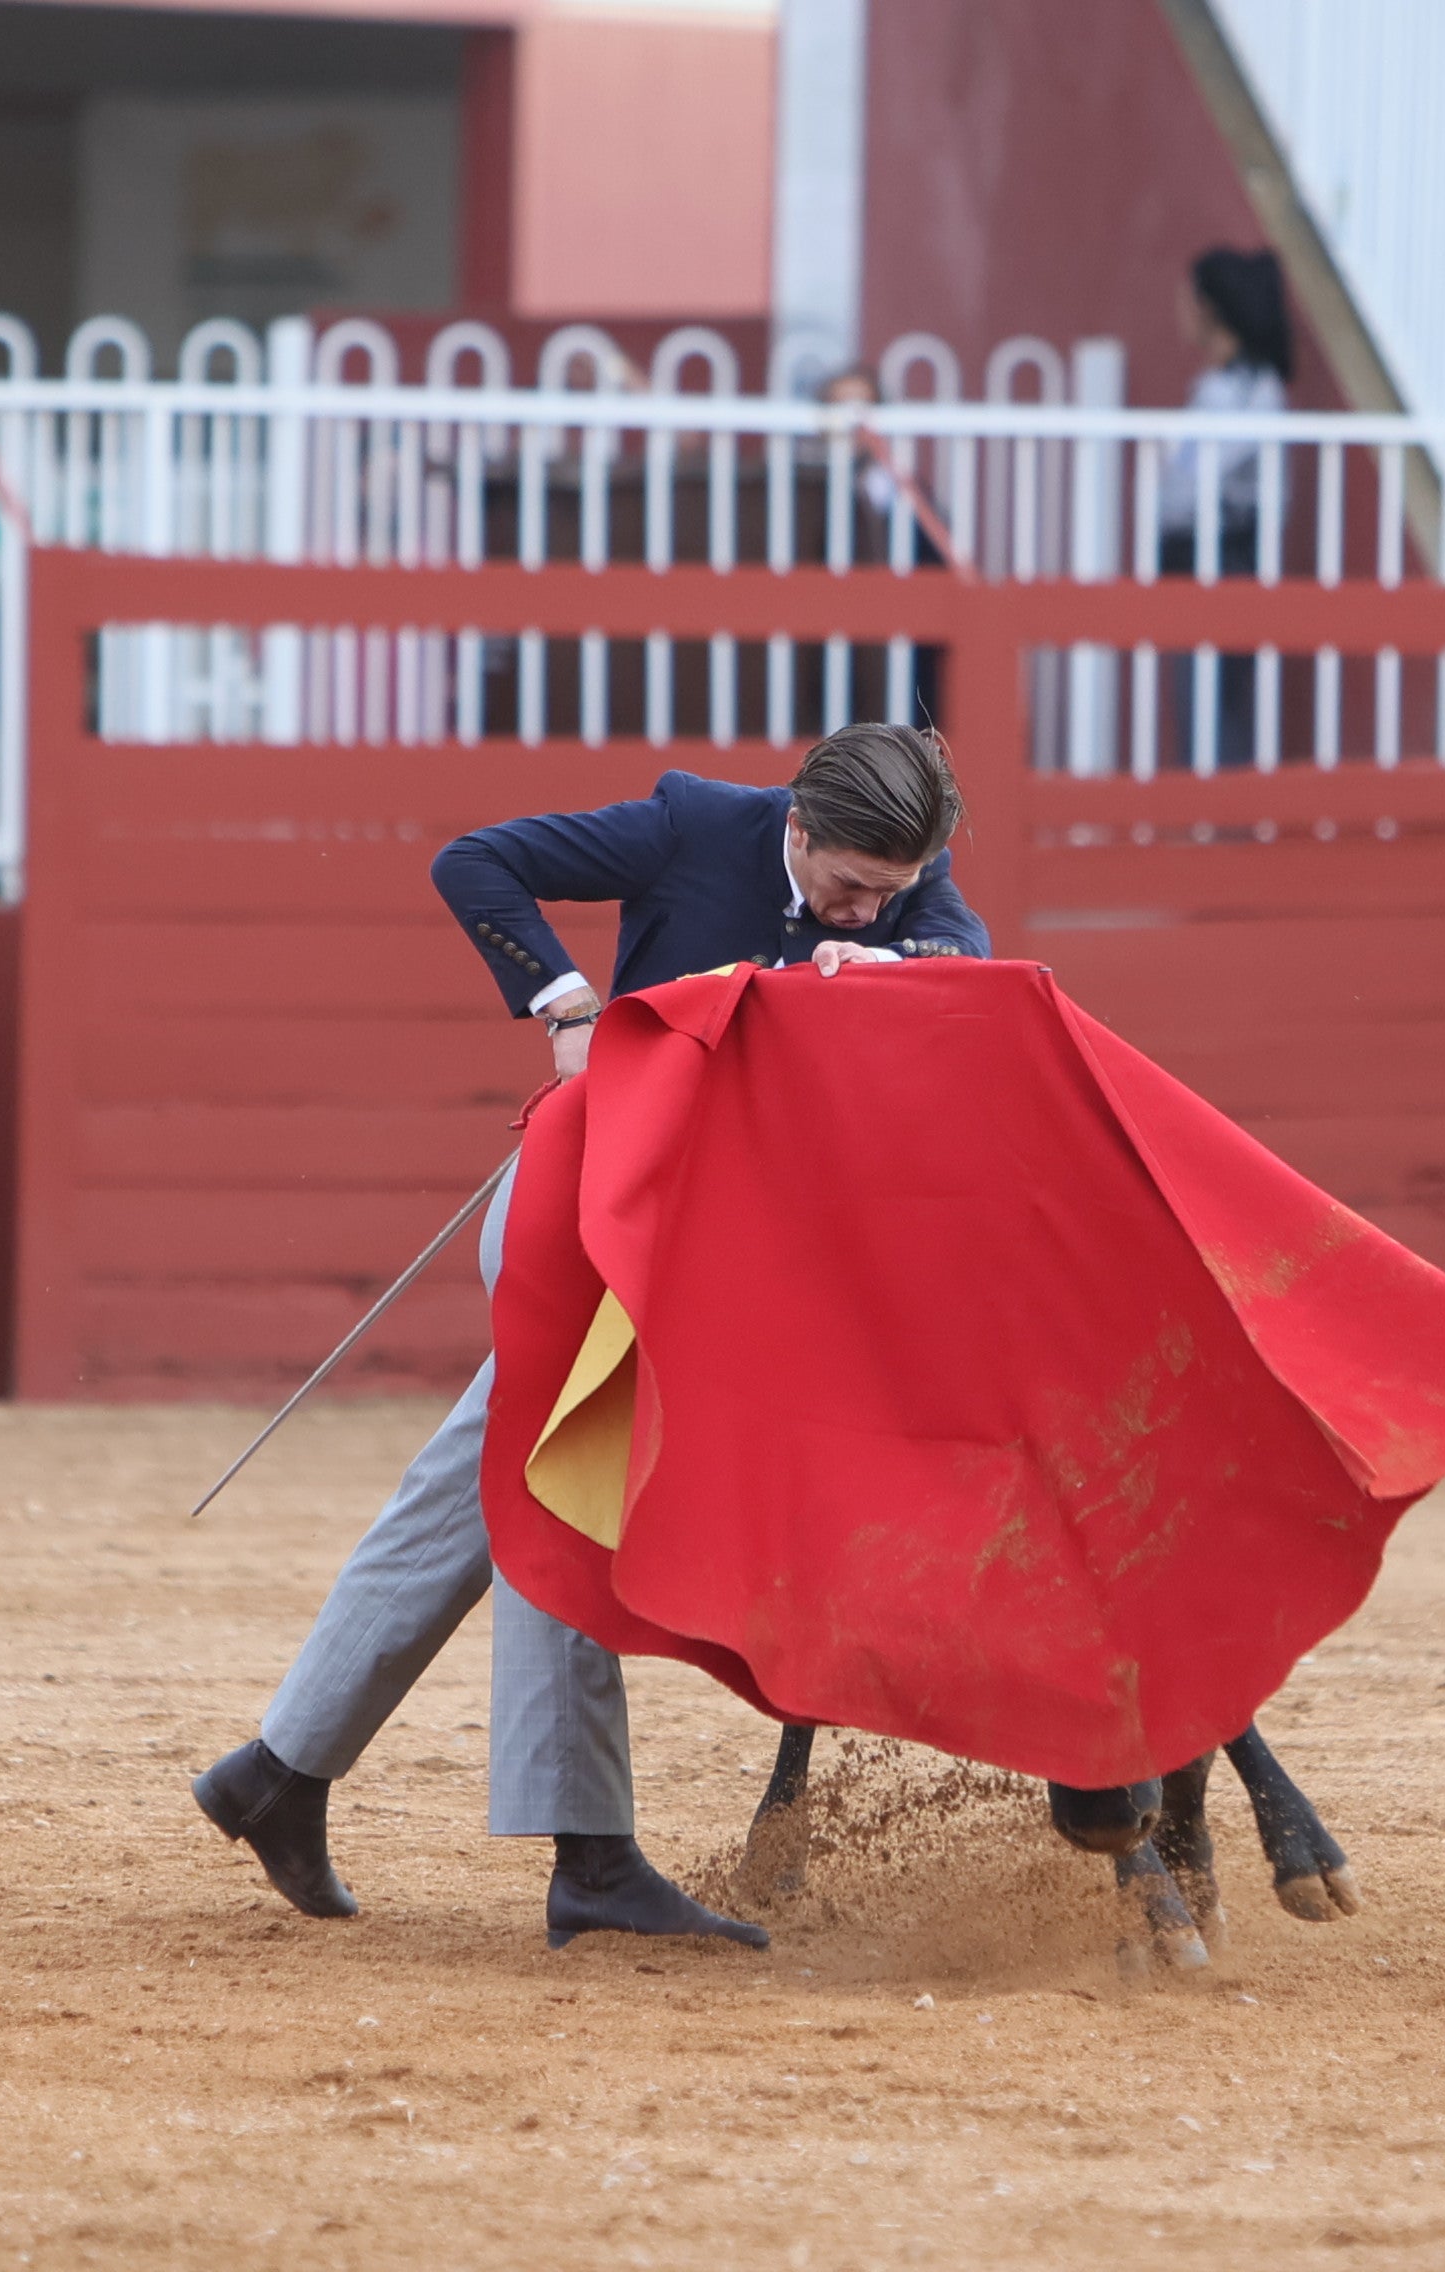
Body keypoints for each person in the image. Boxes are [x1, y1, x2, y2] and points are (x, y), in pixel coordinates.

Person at [192, 729, 987, 1949]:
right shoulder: (692, 826)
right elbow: (478, 862)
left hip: (703, 1240)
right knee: (562, 1481)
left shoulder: (903, 884)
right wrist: (562, 1000)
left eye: (893, 886)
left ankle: (280, 1772)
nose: (873, 904)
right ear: (800, 826)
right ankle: (591, 1855)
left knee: (472, 1484)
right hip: (587, 1200)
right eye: (852, 887)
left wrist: (889, 958)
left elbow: (961, 953)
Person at [1158, 247, 1289, 765]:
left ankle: (1221, 835)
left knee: (1211, 714)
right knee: (1201, 710)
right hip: (1199, 565)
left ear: (1212, 307)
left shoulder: (1251, 391)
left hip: (1223, 562)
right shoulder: (1228, 388)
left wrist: (1167, 504)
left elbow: (1187, 485)